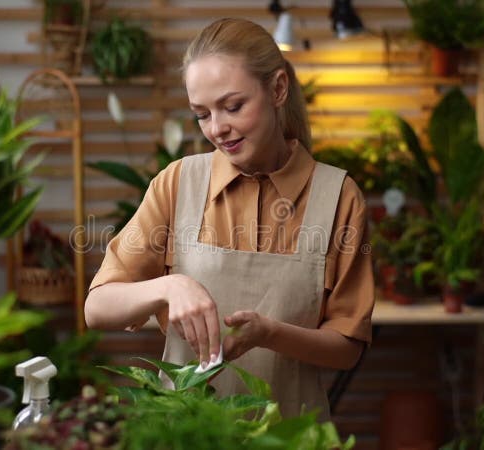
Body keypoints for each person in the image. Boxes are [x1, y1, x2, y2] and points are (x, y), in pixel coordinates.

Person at [84, 17, 374, 420]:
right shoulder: (177, 183)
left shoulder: (338, 197)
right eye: (201, 114)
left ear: (277, 89)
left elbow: (347, 348)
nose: (218, 128)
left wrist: (269, 334)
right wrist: (170, 286)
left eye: (233, 106)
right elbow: (97, 308)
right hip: (188, 436)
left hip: (291, 437)